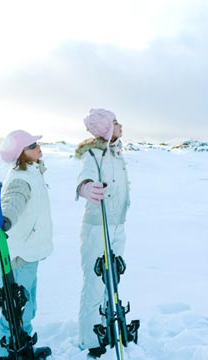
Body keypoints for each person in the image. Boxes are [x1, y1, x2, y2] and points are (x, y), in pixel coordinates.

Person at [0, 129, 53, 360]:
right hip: (18, 256)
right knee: (13, 308)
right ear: (22, 153)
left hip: (29, 251)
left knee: (25, 306)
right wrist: (4, 219)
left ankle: (23, 349)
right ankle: (6, 354)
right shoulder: (20, 179)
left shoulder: (33, 172)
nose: (39, 148)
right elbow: (13, 201)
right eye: (33, 146)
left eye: (37, 144)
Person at [75, 108, 130, 358]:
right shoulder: (94, 155)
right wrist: (85, 188)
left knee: (113, 278)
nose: (121, 126)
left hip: (117, 224)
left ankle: (109, 325)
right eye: (116, 123)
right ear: (107, 129)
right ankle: (90, 337)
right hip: (98, 226)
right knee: (96, 281)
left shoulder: (117, 153)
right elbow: (84, 177)